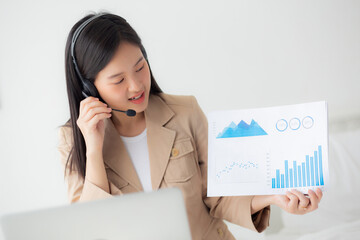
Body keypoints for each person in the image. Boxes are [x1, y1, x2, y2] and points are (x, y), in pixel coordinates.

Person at [58, 12, 323, 240]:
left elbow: (219, 196)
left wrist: (273, 198)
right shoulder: (73, 139)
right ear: (89, 87)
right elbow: (92, 230)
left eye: (140, 67)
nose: (137, 85)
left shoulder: (185, 112)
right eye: (118, 80)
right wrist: (93, 148)